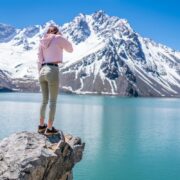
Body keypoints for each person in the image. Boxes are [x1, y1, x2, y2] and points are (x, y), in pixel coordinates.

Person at [37, 25, 73, 135]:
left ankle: (41, 126)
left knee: (44, 101)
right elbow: (70, 49)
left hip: (42, 71)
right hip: (52, 69)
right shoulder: (58, 38)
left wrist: (40, 72)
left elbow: (39, 59)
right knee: (52, 101)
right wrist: (61, 37)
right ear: (57, 31)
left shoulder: (41, 41)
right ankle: (50, 128)